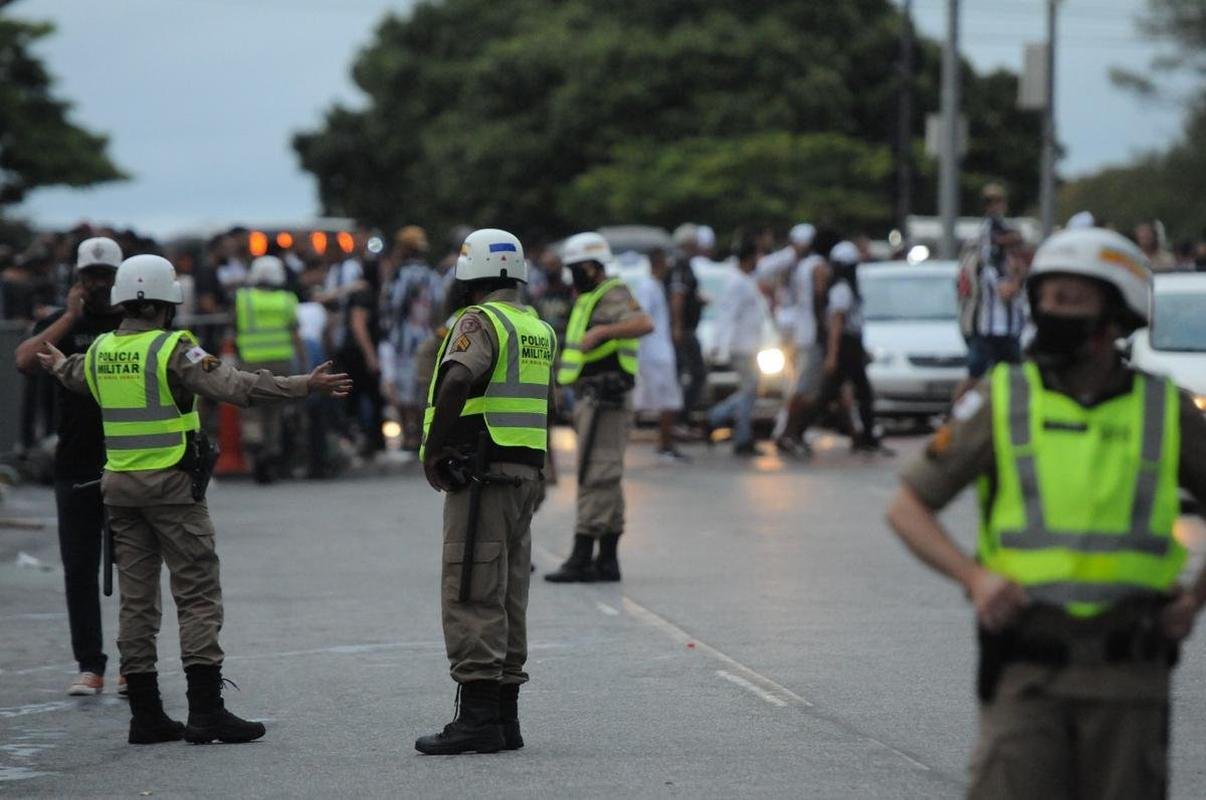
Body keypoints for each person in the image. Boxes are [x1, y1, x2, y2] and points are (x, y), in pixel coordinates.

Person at [886, 227, 1206, 799]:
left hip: (1130, 677)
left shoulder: (1165, 408)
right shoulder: (1004, 397)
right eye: (1045, 299)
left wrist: (1194, 598)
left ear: (1116, 315)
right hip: (1026, 674)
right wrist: (976, 579)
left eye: (1071, 300)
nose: (1051, 312)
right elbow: (908, 506)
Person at [37, 254, 350, 745]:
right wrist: (302, 385)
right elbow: (235, 385)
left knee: (137, 603)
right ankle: (206, 712)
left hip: (118, 490)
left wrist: (58, 365)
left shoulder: (99, 350)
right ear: (166, 304)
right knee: (198, 596)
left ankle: (146, 716)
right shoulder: (172, 348)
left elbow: (75, 373)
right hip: (172, 491)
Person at [415, 228, 555, 755]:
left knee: (471, 588)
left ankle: (476, 721)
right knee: (509, 592)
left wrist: (434, 450)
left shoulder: (480, 322)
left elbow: (454, 382)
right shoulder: (535, 325)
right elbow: (549, 404)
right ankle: (504, 717)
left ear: (469, 273)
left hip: (481, 473)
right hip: (522, 473)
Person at [14, 237, 125, 696]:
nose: (98, 284)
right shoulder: (63, 323)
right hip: (74, 463)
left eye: (106, 276)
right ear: (77, 278)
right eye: (90, 276)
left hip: (127, 461)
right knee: (79, 568)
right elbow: (23, 360)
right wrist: (68, 317)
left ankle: (133, 664)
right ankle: (90, 666)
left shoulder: (131, 322)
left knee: (134, 568)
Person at [545, 232, 653, 583]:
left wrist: (604, 333)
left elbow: (643, 323)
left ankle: (582, 555)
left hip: (608, 397)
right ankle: (607, 559)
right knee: (605, 474)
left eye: (575, 268)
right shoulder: (591, 296)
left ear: (592, 267)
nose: (570, 275)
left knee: (597, 472)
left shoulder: (613, 293)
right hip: (592, 395)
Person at [794, 241, 888, 454]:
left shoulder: (842, 288)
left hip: (850, 345)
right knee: (832, 394)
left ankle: (866, 436)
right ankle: (796, 431)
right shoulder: (842, 289)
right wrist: (833, 355)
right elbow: (836, 324)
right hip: (845, 346)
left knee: (855, 392)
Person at [755, 223, 828, 457]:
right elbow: (762, 272)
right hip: (791, 326)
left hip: (796, 326)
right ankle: (786, 431)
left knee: (798, 385)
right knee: (798, 385)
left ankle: (786, 429)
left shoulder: (807, 263)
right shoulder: (792, 261)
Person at [234, 255, 305, 483]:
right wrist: (303, 363)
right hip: (280, 362)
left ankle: (255, 447)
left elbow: (233, 327)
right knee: (274, 411)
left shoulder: (242, 299)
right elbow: (295, 334)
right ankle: (271, 453)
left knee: (251, 409)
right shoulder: (287, 299)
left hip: (250, 361)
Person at [380, 226, 444, 451]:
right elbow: (439, 305)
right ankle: (420, 432)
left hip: (403, 340)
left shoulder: (399, 275)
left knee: (403, 388)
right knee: (423, 386)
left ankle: (409, 434)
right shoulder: (432, 274)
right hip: (426, 336)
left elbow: (392, 305)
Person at [705, 238, 770, 457]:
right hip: (741, 346)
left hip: (750, 345)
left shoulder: (745, 280)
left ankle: (716, 418)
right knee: (750, 390)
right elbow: (727, 316)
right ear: (749, 258)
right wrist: (719, 345)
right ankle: (741, 437)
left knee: (750, 391)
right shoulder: (737, 282)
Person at [966, 183, 1026, 379]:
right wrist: (1016, 278)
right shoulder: (989, 238)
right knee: (979, 376)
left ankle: (959, 409)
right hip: (992, 325)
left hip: (1004, 325)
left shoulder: (997, 232)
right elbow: (1004, 289)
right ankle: (955, 410)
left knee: (997, 376)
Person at [632, 249, 686, 461]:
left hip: (659, 352)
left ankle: (666, 443)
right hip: (654, 354)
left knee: (658, 401)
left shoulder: (654, 286)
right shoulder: (647, 287)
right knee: (667, 401)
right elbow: (642, 319)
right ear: (659, 263)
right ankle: (665, 445)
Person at [667, 224, 708, 424]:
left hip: (686, 328)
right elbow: (677, 296)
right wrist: (677, 327)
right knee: (694, 373)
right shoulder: (680, 264)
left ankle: (679, 418)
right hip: (684, 330)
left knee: (686, 373)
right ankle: (679, 418)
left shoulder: (685, 264)